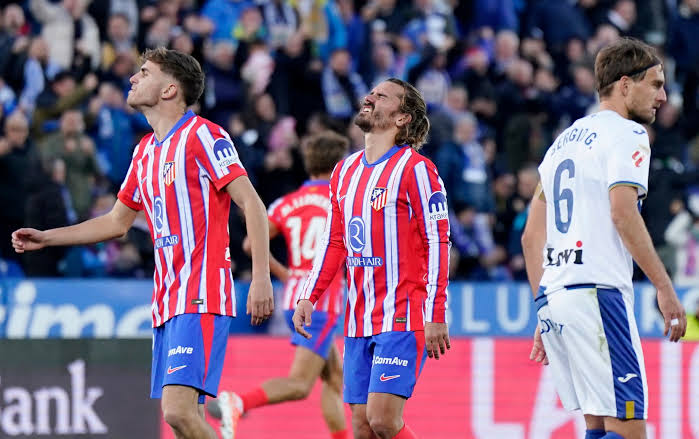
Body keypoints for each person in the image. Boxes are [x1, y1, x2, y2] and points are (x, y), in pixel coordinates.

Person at [11, 47, 274, 439]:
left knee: (178, 412)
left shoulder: (203, 134)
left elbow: (250, 201)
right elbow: (117, 222)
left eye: (144, 72)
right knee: (190, 421)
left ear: (169, 90)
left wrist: (260, 277)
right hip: (166, 300)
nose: (133, 78)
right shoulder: (144, 152)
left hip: (201, 291)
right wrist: (49, 238)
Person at [521, 37, 687, 439]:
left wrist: (544, 305)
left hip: (558, 296)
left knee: (598, 425)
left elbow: (531, 235)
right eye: (656, 84)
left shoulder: (563, 143)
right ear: (625, 84)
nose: (663, 97)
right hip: (598, 293)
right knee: (629, 428)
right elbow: (622, 213)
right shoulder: (627, 135)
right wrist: (664, 288)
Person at [293, 78, 452, 439]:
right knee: (363, 427)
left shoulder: (416, 170)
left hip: (403, 311)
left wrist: (436, 313)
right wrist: (309, 295)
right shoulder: (344, 171)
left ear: (402, 119)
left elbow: (438, 241)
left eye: (382, 96)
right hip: (358, 317)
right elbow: (334, 241)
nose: (369, 98)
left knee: (383, 419)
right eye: (371, 93)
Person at [209, 130, 350, 439]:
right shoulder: (343, 200)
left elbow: (248, 244)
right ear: (339, 165)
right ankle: (238, 402)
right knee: (299, 384)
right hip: (321, 301)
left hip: (295, 294)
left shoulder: (288, 202)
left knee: (334, 378)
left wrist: (285, 274)